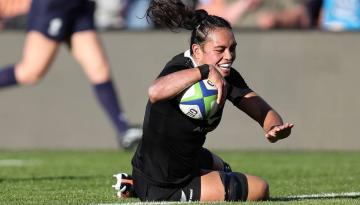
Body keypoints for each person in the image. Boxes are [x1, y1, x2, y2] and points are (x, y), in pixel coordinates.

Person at [113, 0, 294, 202]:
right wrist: (205, 71)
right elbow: (155, 92)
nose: (229, 56)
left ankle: (136, 185)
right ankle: (144, 188)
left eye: (232, 48)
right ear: (197, 51)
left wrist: (274, 127)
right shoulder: (180, 67)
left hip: (186, 160)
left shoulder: (227, 76)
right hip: (165, 182)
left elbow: (262, 111)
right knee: (260, 189)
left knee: (223, 168)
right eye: (220, 49)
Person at [0, 0, 142, 149]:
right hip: (54, 6)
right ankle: (124, 129)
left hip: (80, 6)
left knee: (99, 69)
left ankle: (124, 130)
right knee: (30, 72)